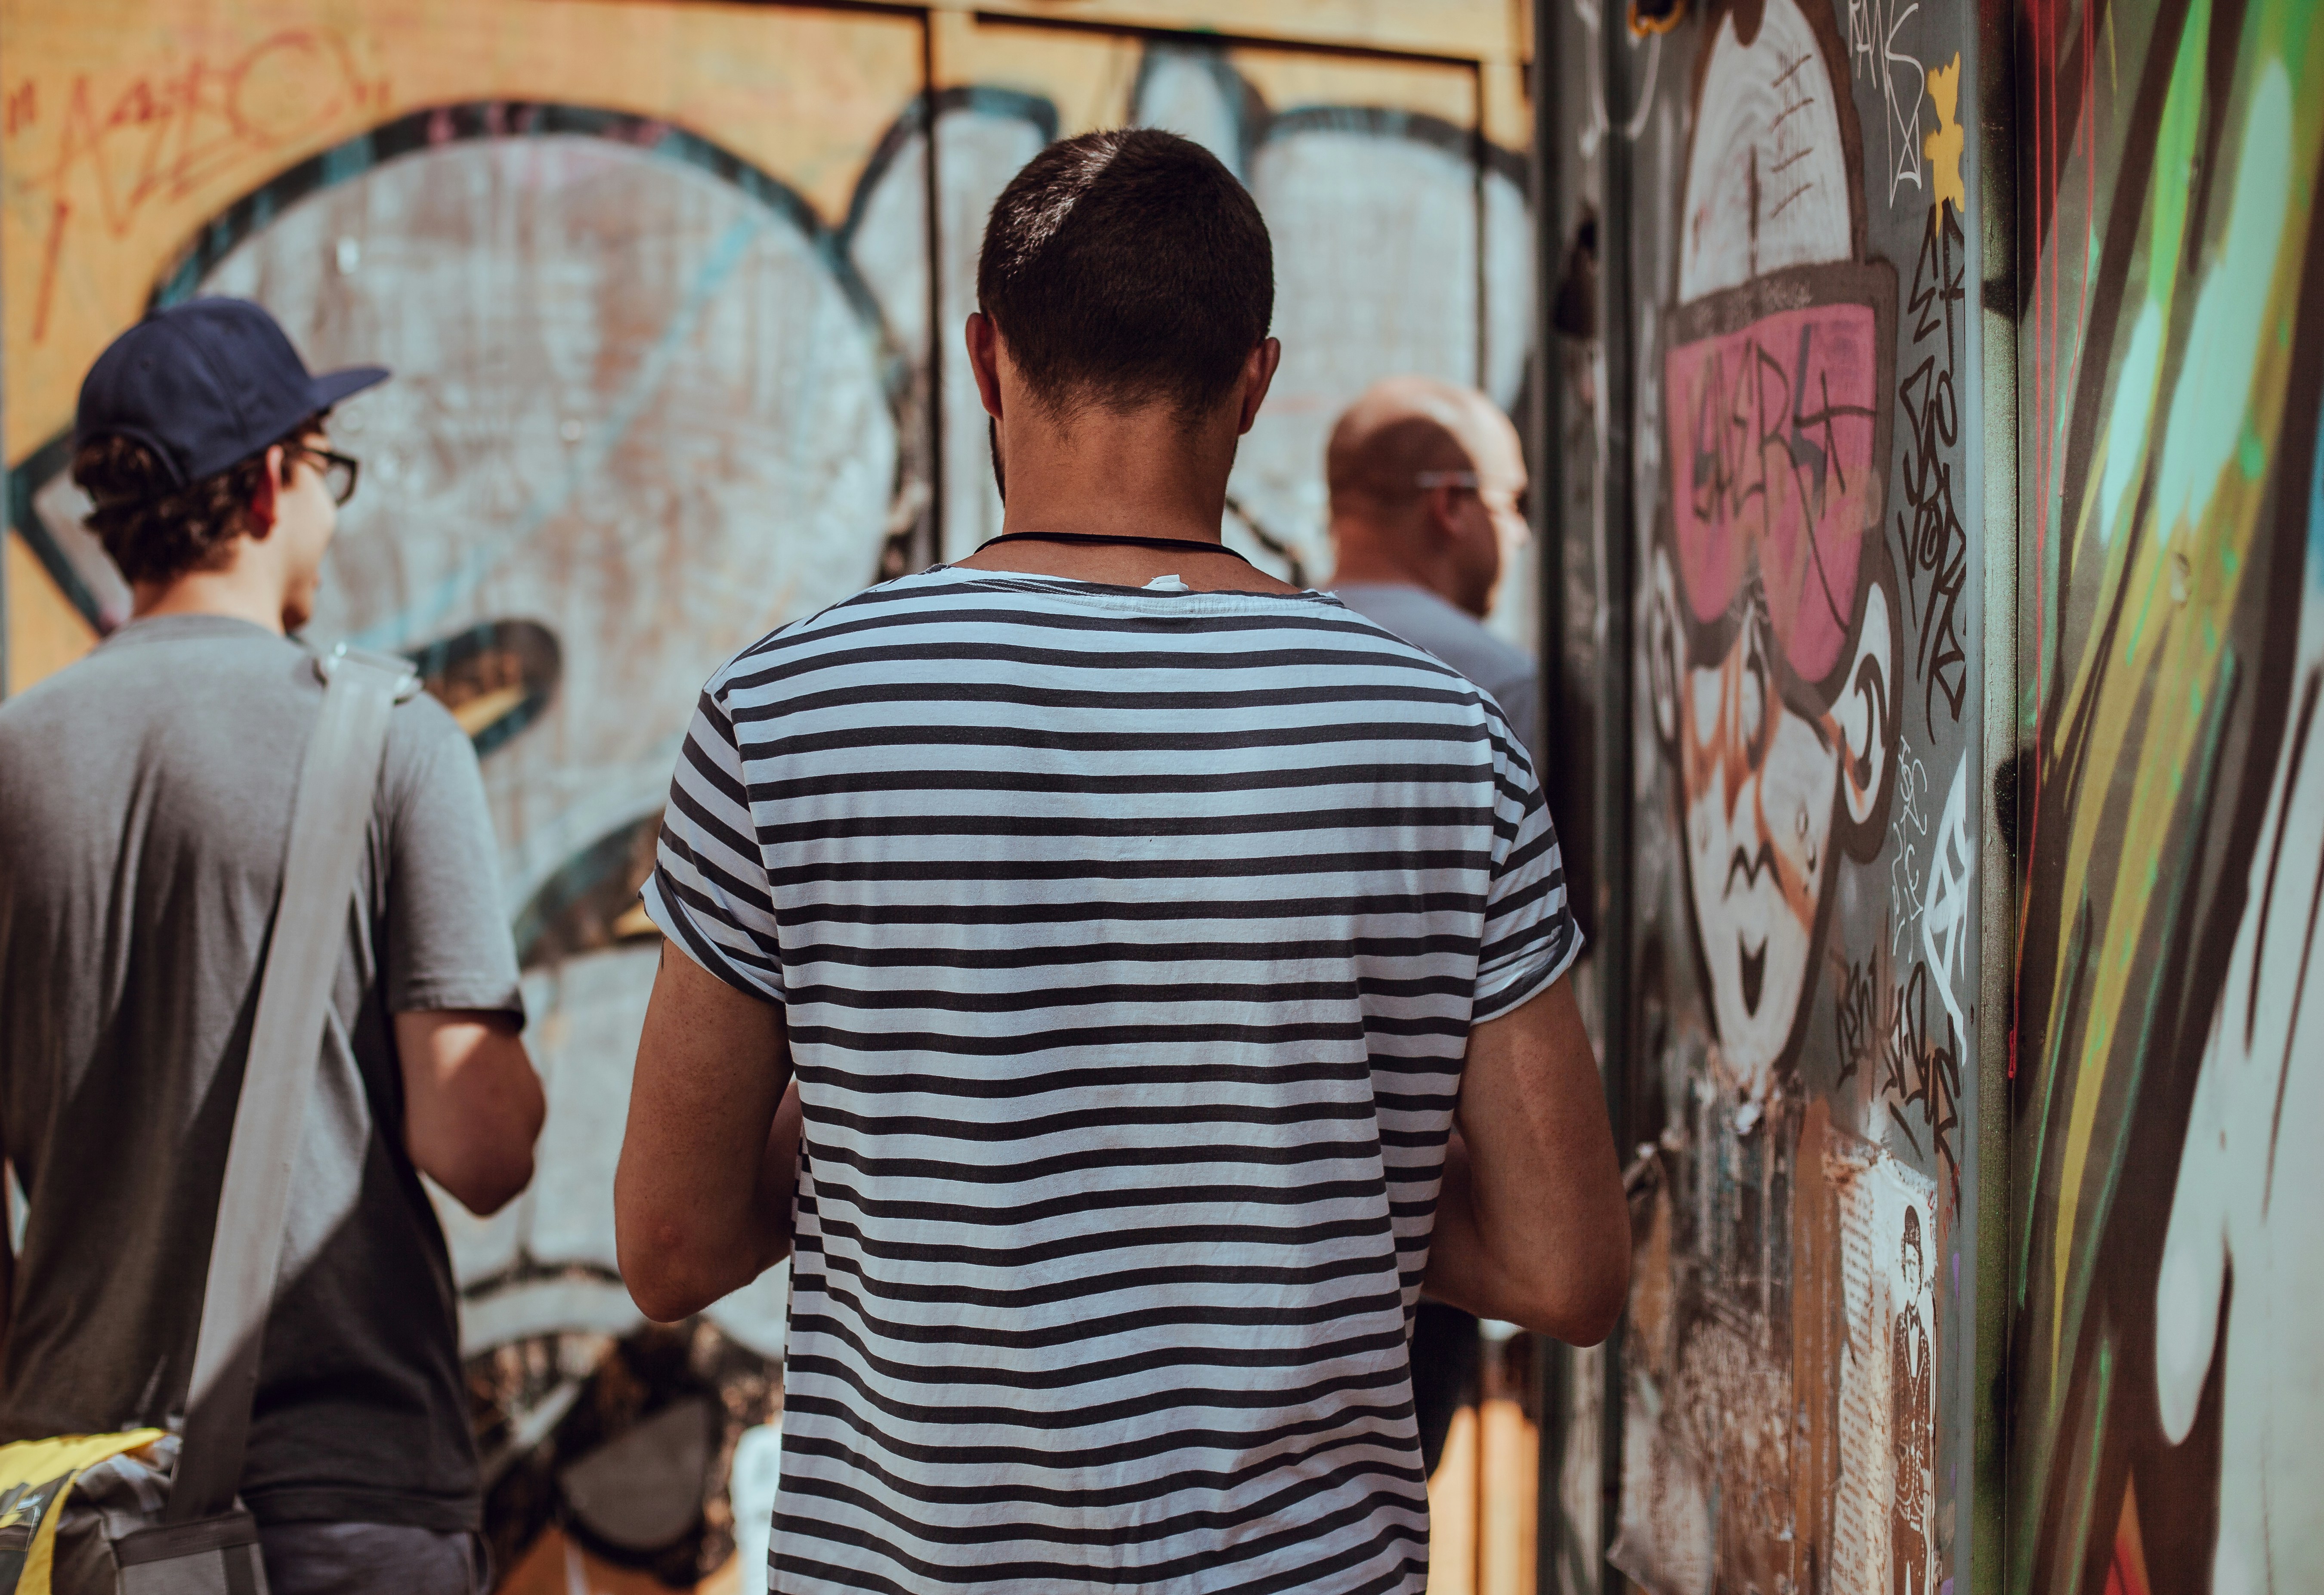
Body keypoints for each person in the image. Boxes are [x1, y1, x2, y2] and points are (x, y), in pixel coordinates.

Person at [614, 130, 1629, 1593]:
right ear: (1256, 383)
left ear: (985, 360)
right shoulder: (1439, 738)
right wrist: (1331, 1182)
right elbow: (1564, 1269)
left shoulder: (782, 713)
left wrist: (902, 1134)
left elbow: (669, 1241)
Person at [0, 298, 546, 1595]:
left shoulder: (11, 760)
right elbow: (480, 1147)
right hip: (338, 1497)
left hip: (64, 1509)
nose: (331, 508)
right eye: (325, 468)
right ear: (262, 487)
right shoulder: (389, 737)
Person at [1324, 376, 1547, 1478]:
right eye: (1513, 503)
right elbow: (1514, 988)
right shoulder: (1492, 683)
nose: (1514, 534)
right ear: (1448, 504)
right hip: (1423, 1217)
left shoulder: (1274, 653)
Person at [1326, 376, 1542, 763]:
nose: (1522, 533)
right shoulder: (1502, 685)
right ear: (1451, 505)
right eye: (1514, 503)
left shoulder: (1260, 657)